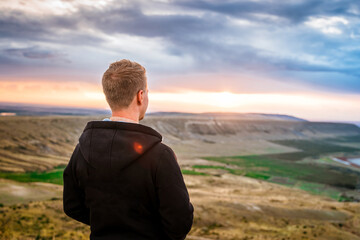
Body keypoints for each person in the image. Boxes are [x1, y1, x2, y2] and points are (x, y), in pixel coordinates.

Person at [63, 59, 194, 239]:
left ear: (109, 95)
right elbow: (179, 223)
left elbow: (72, 206)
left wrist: (108, 224)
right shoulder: (160, 155)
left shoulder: (82, 150)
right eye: (147, 92)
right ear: (140, 96)